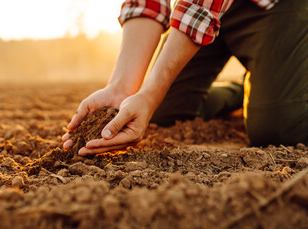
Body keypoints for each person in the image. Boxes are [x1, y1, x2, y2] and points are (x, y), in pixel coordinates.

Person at [62, 0, 307, 155]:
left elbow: (201, 10)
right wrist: (123, 87)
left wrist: (150, 94)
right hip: (202, 11)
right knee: (160, 110)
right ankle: (244, 90)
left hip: (276, 7)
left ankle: (284, 82)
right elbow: (148, 4)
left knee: (279, 127)